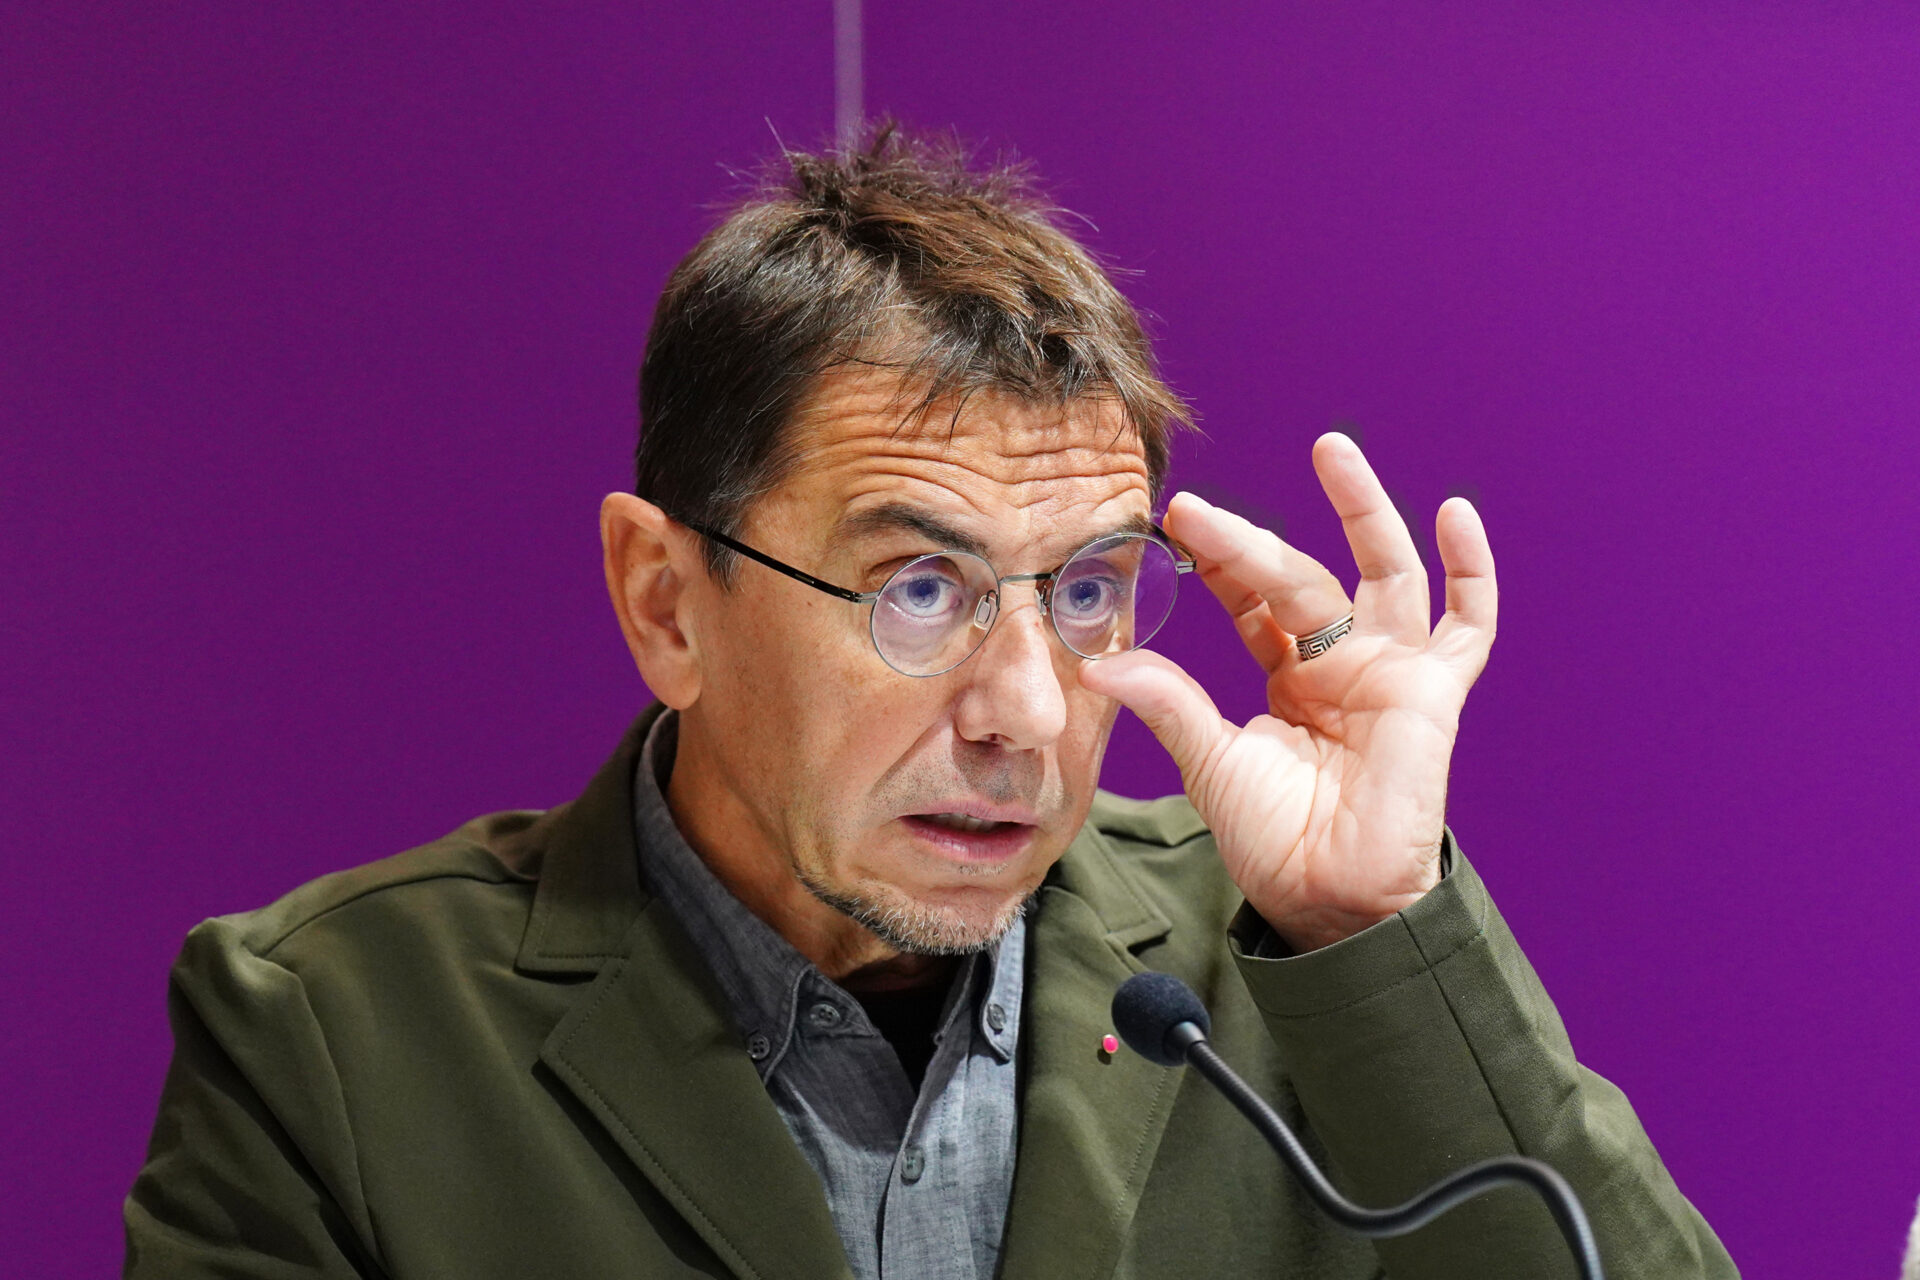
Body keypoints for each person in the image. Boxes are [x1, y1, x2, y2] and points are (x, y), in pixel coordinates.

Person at [125, 125, 1737, 1279]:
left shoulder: (1282, 966)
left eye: (1088, 590)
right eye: (918, 589)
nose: (1026, 712)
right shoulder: (328, 1034)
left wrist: (1375, 934)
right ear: (667, 603)